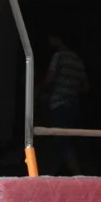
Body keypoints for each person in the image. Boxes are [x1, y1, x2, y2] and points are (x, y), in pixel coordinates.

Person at [40, 35, 88, 174]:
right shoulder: (78, 60)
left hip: (58, 104)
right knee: (68, 140)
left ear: (57, 39)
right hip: (73, 105)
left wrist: (38, 89)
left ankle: (76, 174)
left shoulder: (58, 56)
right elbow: (86, 86)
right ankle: (66, 171)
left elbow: (50, 78)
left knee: (60, 141)